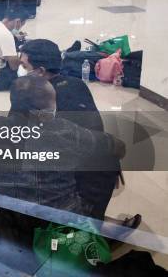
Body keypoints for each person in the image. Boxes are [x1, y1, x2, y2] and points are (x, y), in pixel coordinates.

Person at [0, 76, 127, 274]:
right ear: (44, 112)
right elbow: (118, 148)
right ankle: (93, 227)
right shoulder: (64, 130)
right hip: (62, 225)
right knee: (108, 161)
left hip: (11, 224)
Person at [18, 39, 127, 220]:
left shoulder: (33, 97)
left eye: (24, 66)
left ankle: (82, 227)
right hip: (99, 169)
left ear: (40, 72)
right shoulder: (77, 84)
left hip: (66, 179)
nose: (21, 71)